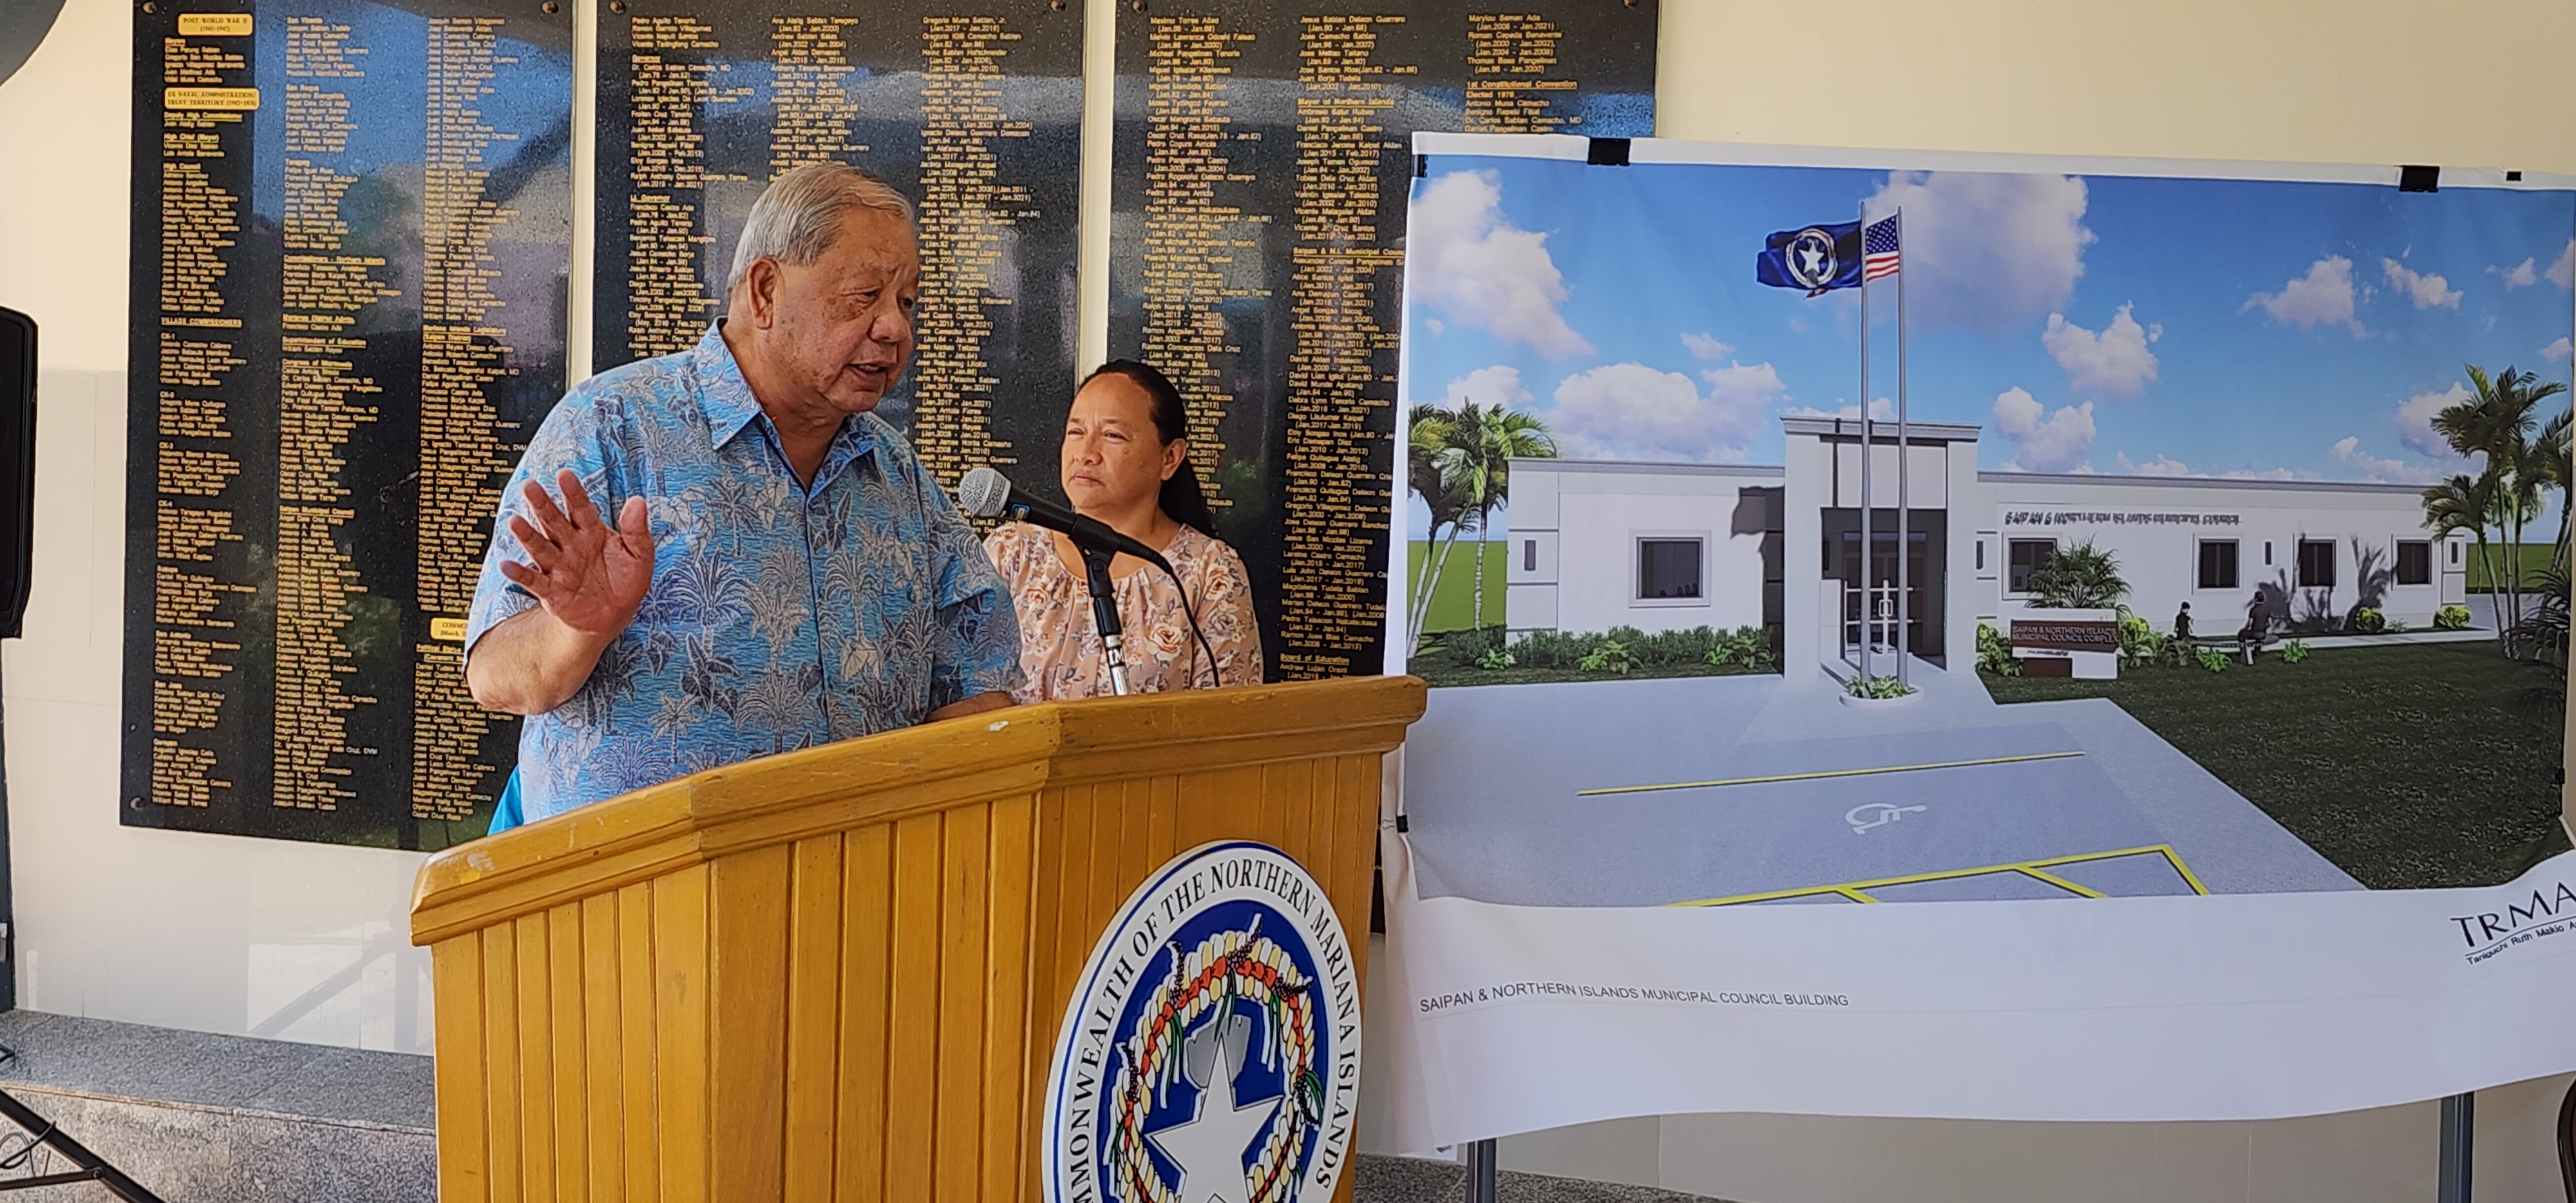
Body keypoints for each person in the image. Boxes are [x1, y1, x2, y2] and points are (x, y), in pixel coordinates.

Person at [464, 162, 1023, 822]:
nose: (895, 329)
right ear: (764, 291)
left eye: (906, 301)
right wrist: (573, 628)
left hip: (860, 892)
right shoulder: (613, 427)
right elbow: (495, 676)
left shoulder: (894, 470)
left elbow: (975, 686)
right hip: (638, 902)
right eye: (864, 295)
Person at [983, 361, 1262, 701]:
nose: (1085, 454)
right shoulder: (1011, 553)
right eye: (1076, 432)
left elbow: (1227, 721)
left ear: (1170, 457)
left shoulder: (1207, 571)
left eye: (1113, 436)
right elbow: (963, 692)